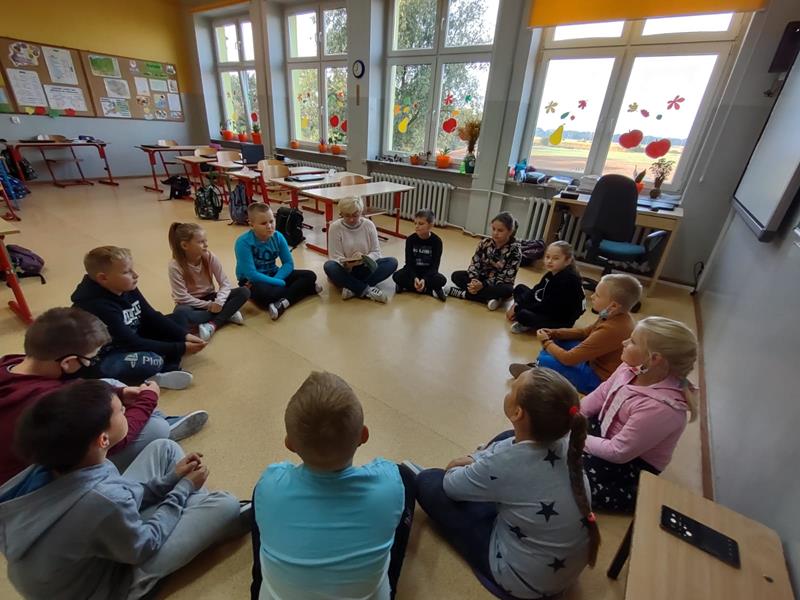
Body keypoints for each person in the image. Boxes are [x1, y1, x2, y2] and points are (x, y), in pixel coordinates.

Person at [0, 380, 246, 600]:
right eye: (121, 411)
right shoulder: (102, 498)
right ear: (103, 439)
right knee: (225, 504)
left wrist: (171, 480)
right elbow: (143, 546)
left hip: (90, 547)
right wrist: (182, 489)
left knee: (164, 448)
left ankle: (193, 514)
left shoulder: (55, 464)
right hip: (104, 586)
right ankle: (204, 522)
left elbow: (120, 494)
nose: (126, 411)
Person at [411, 368, 600, 599]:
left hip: (521, 579)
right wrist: (480, 460)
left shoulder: (506, 463)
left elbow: (450, 484)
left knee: (427, 481)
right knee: (505, 439)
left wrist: (468, 462)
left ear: (518, 412)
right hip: (556, 568)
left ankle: (479, 479)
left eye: (513, 387)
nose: (509, 389)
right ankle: (482, 476)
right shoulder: (567, 440)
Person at [251, 371, 414, 600]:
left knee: (259, 496)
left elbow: (272, 483)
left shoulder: (270, 485)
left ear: (290, 444)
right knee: (406, 478)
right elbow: (392, 474)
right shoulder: (388, 484)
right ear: (364, 435)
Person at [0, 307, 208, 485]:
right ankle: (161, 424)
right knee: (156, 429)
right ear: (68, 362)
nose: (92, 363)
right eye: (90, 359)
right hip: (36, 484)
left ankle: (154, 417)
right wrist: (148, 401)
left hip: (44, 446)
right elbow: (105, 443)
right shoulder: (46, 402)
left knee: (109, 385)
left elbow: (71, 386)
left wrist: (120, 393)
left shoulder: (11, 362)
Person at [580, 317, 698, 513]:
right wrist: (573, 415)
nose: (624, 343)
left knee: (574, 481)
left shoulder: (661, 408)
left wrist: (576, 438)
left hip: (631, 464)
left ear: (654, 359)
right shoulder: (631, 367)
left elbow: (618, 452)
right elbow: (601, 394)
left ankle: (636, 496)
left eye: (633, 341)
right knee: (554, 435)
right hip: (605, 430)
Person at [71, 246, 205, 389]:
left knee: (179, 318)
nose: (135, 275)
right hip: (108, 355)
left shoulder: (126, 286)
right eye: (126, 272)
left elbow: (150, 316)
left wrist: (183, 335)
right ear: (103, 278)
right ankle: (156, 375)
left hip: (132, 336)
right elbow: (131, 342)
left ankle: (169, 368)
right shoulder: (97, 305)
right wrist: (180, 348)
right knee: (152, 360)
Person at [509, 274, 642, 395]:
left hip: (598, 380)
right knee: (557, 341)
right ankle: (542, 367)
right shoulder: (612, 314)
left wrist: (546, 342)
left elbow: (569, 359)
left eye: (597, 295)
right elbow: (585, 332)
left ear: (613, 306)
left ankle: (539, 373)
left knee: (546, 358)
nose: (592, 297)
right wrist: (554, 333)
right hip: (592, 361)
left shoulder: (612, 329)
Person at [234, 203, 320, 321]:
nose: (269, 226)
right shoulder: (243, 242)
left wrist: (277, 279)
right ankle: (304, 290)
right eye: (263, 223)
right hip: (251, 281)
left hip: (273, 274)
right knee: (270, 295)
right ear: (252, 224)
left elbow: (288, 263)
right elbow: (251, 274)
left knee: (310, 275)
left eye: (271, 221)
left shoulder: (278, 236)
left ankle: (283, 303)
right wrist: (279, 282)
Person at [168, 222, 250, 341]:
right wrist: (209, 305)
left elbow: (225, 283)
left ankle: (212, 324)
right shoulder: (175, 266)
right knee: (180, 313)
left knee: (244, 292)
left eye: (205, 241)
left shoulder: (210, 256)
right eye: (201, 242)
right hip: (190, 304)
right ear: (185, 245)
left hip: (211, 297)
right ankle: (227, 313)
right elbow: (182, 297)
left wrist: (219, 302)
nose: (206, 245)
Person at [323, 197, 398, 304]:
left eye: (355, 215)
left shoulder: (369, 225)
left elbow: (376, 252)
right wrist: (348, 263)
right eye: (347, 215)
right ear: (341, 213)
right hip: (347, 270)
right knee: (329, 266)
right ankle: (367, 290)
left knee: (392, 262)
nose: (351, 219)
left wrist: (364, 259)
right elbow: (335, 257)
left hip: (365, 267)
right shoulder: (335, 227)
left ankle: (353, 289)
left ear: (361, 212)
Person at [506, 241, 584, 334]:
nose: (549, 261)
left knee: (523, 314)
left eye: (556, 258)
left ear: (567, 261)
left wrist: (518, 308)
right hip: (547, 306)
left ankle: (527, 323)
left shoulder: (568, 280)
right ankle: (525, 316)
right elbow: (536, 290)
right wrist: (517, 304)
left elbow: (547, 307)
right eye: (547, 257)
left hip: (560, 319)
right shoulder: (552, 273)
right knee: (520, 288)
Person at [448, 211, 522, 311]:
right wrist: (474, 280)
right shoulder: (484, 243)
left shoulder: (515, 251)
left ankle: (464, 294)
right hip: (481, 278)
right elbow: (475, 264)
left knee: (508, 290)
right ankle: (490, 299)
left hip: (498, 282)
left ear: (510, 232)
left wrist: (483, 285)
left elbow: (506, 277)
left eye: (500, 230)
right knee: (456, 276)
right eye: (493, 229)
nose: (495, 233)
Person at [392, 209, 446, 301]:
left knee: (442, 280)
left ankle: (407, 287)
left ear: (431, 225)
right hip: (413, 271)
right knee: (396, 276)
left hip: (428, 273)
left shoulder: (437, 242)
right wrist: (415, 278)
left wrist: (424, 279)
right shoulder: (410, 239)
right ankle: (429, 290)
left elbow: (435, 266)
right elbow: (409, 263)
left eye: (421, 224)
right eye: (415, 223)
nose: (417, 226)